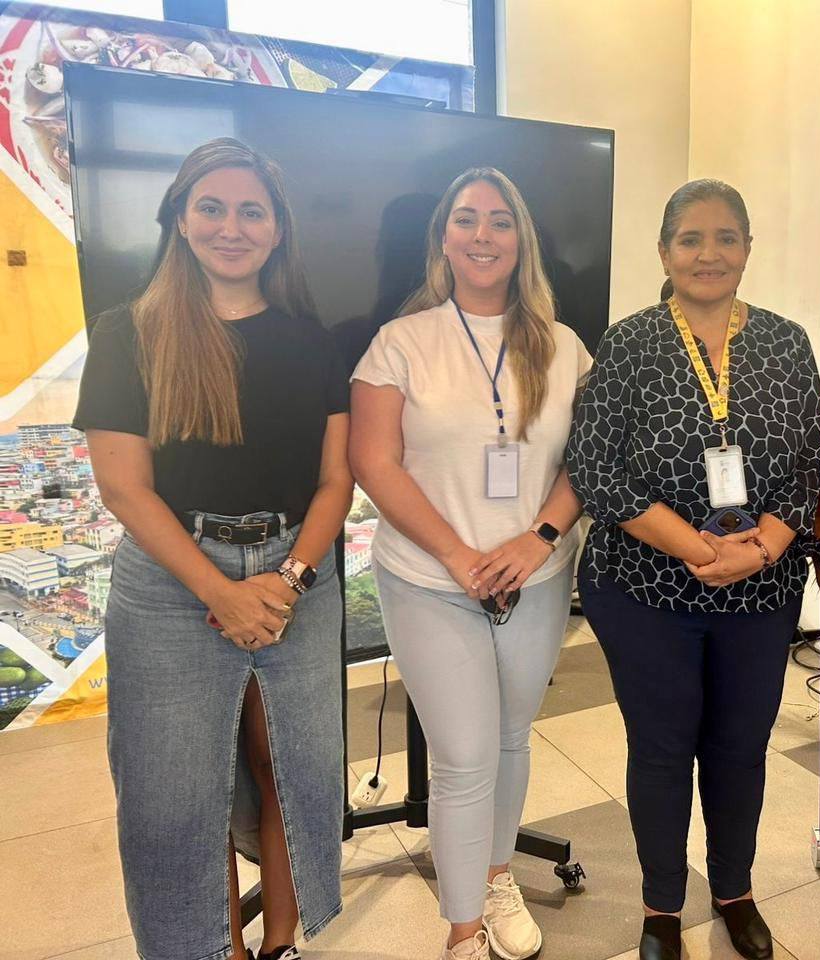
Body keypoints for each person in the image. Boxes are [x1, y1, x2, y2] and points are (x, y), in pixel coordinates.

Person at [74, 138, 352, 960]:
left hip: (296, 573)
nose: (233, 227)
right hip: (171, 586)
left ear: (277, 230)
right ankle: (211, 949)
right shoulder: (128, 334)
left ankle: (283, 943)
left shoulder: (314, 343)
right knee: (174, 796)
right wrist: (221, 592)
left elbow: (335, 481)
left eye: (252, 211)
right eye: (213, 208)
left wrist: (290, 580)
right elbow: (125, 488)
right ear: (182, 220)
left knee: (293, 772)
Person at [567, 179, 820, 960]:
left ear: (747, 249)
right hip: (645, 588)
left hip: (762, 588)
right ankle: (661, 909)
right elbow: (595, 469)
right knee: (660, 750)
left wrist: (765, 546)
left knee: (739, 748)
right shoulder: (631, 342)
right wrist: (696, 547)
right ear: (664, 252)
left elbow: (812, 461)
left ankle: (735, 891)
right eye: (690, 239)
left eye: (725, 238)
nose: (708, 254)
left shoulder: (785, 343)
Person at [348, 167, 590, 960]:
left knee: (512, 737)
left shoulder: (564, 347)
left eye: (499, 221)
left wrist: (538, 540)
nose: (483, 235)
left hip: (535, 578)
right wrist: (457, 555)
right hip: (429, 579)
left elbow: (587, 460)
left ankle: (495, 877)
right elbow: (373, 461)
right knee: (462, 757)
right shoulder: (400, 343)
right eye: (466, 220)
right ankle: (462, 932)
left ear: (522, 241)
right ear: (443, 239)